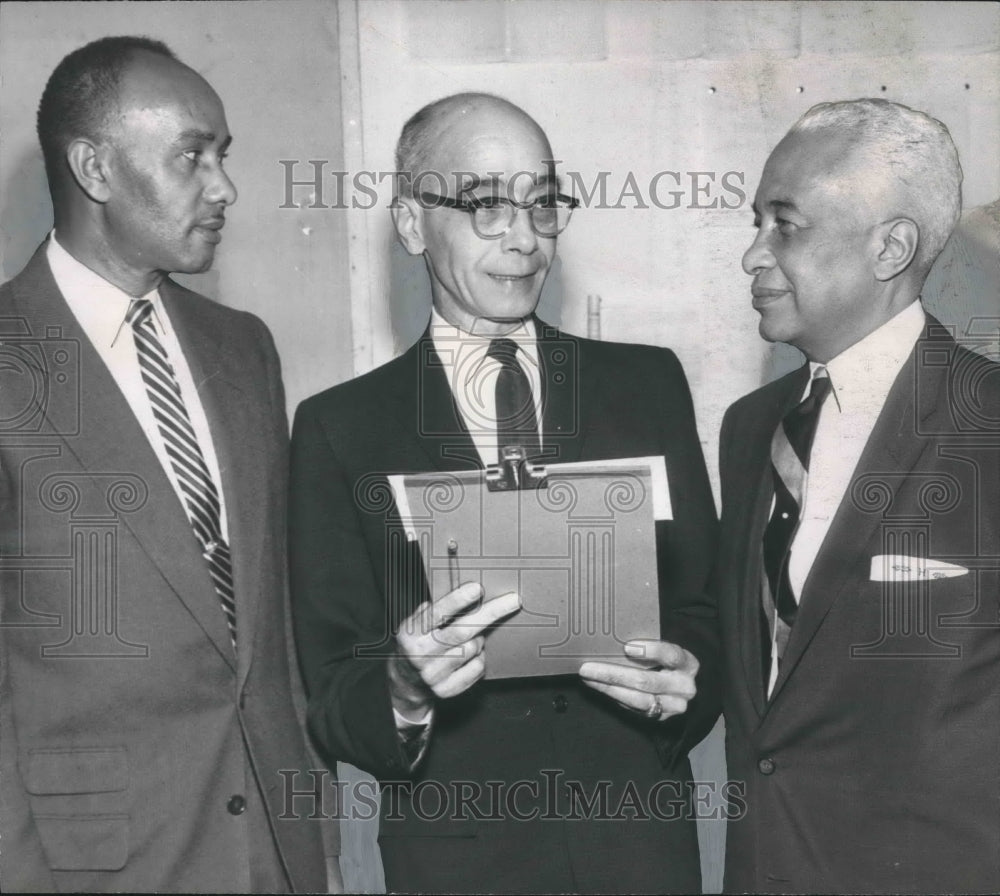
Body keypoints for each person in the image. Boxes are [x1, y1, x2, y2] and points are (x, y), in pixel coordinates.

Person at [289, 92, 720, 894]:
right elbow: (331, 686)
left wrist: (686, 687)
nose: (524, 239)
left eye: (543, 203)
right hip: (458, 859)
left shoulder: (646, 384)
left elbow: (702, 608)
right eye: (487, 205)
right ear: (413, 223)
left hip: (638, 849)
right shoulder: (338, 430)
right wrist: (401, 687)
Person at [0, 36, 331, 892]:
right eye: (192, 155)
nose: (224, 188)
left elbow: (270, 629)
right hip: (93, 866)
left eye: (222, 155)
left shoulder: (243, 348)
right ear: (95, 168)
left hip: (276, 848)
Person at [717, 98, 1000, 894]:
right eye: (755, 222)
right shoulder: (749, 431)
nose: (752, 255)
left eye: (786, 225)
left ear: (891, 247)